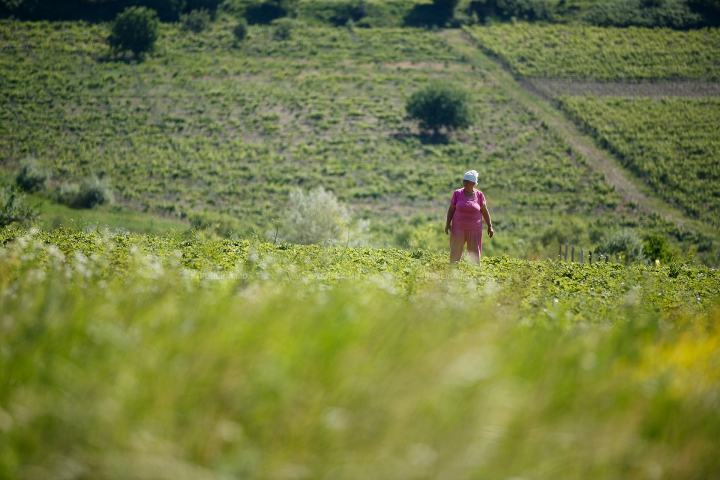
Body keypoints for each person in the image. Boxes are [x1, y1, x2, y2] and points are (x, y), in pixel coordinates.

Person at [445, 170, 493, 264]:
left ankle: (475, 276)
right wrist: (447, 224)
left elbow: (484, 211)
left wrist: (490, 226)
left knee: (474, 256)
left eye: (468, 181)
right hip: (458, 229)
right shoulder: (457, 193)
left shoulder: (479, 195)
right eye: (464, 180)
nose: (465, 183)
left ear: (474, 183)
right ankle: (453, 274)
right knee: (455, 255)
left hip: (474, 229)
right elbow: (451, 209)